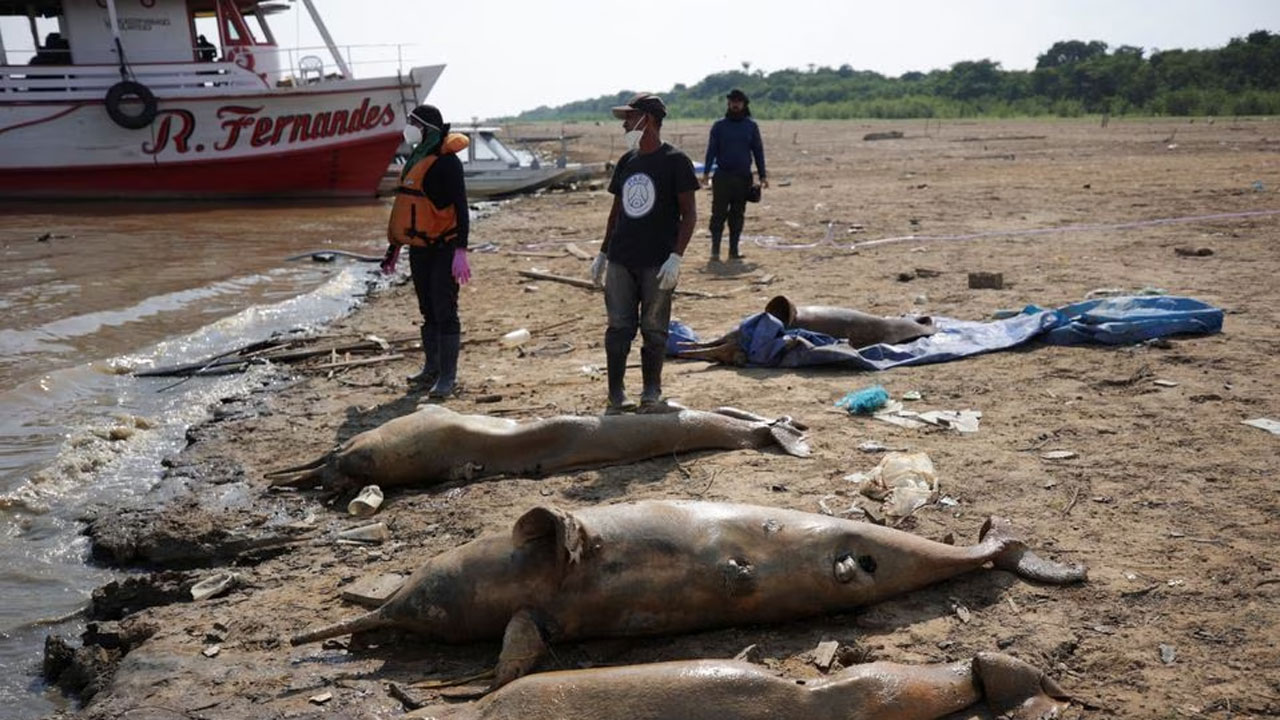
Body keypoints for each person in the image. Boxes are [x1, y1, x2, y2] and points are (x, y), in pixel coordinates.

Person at [589, 93, 698, 414]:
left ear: (646, 120)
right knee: (618, 328)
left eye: (629, 118)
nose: (624, 125)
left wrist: (676, 256)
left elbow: (689, 214)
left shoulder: (675, 161)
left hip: (658, 262)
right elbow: (616, 212)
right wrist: (602, 253)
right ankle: (616, 394)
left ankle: (651, 391)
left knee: (654, 329)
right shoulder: (627, 161)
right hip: (622, 259)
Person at [380, 104, 472, 399]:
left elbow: (461, 207)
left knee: (445, 310)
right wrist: (393, 248)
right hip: (419, 249)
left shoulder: (448, 163)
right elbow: (405, 210)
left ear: (428, 128)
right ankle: (431, 367)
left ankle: (447, 377)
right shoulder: (415, 159)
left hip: (445, 247)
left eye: (413, 123)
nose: (408, 128)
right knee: (427, 309)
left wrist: (461, 250)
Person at [702, 88, 767, 262]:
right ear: (728, 104)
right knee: (718, 214)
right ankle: (715, 251)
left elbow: (758, 151)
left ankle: (733, 250)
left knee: (737, 215)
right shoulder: (719, 126)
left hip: (743, 177)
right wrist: (706, 172)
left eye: (738, 101)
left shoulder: (751, 126)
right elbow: (711, 151)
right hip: (722, 177)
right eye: (732, 101)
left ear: (744, 104)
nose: (735, 104)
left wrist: (763, 175)